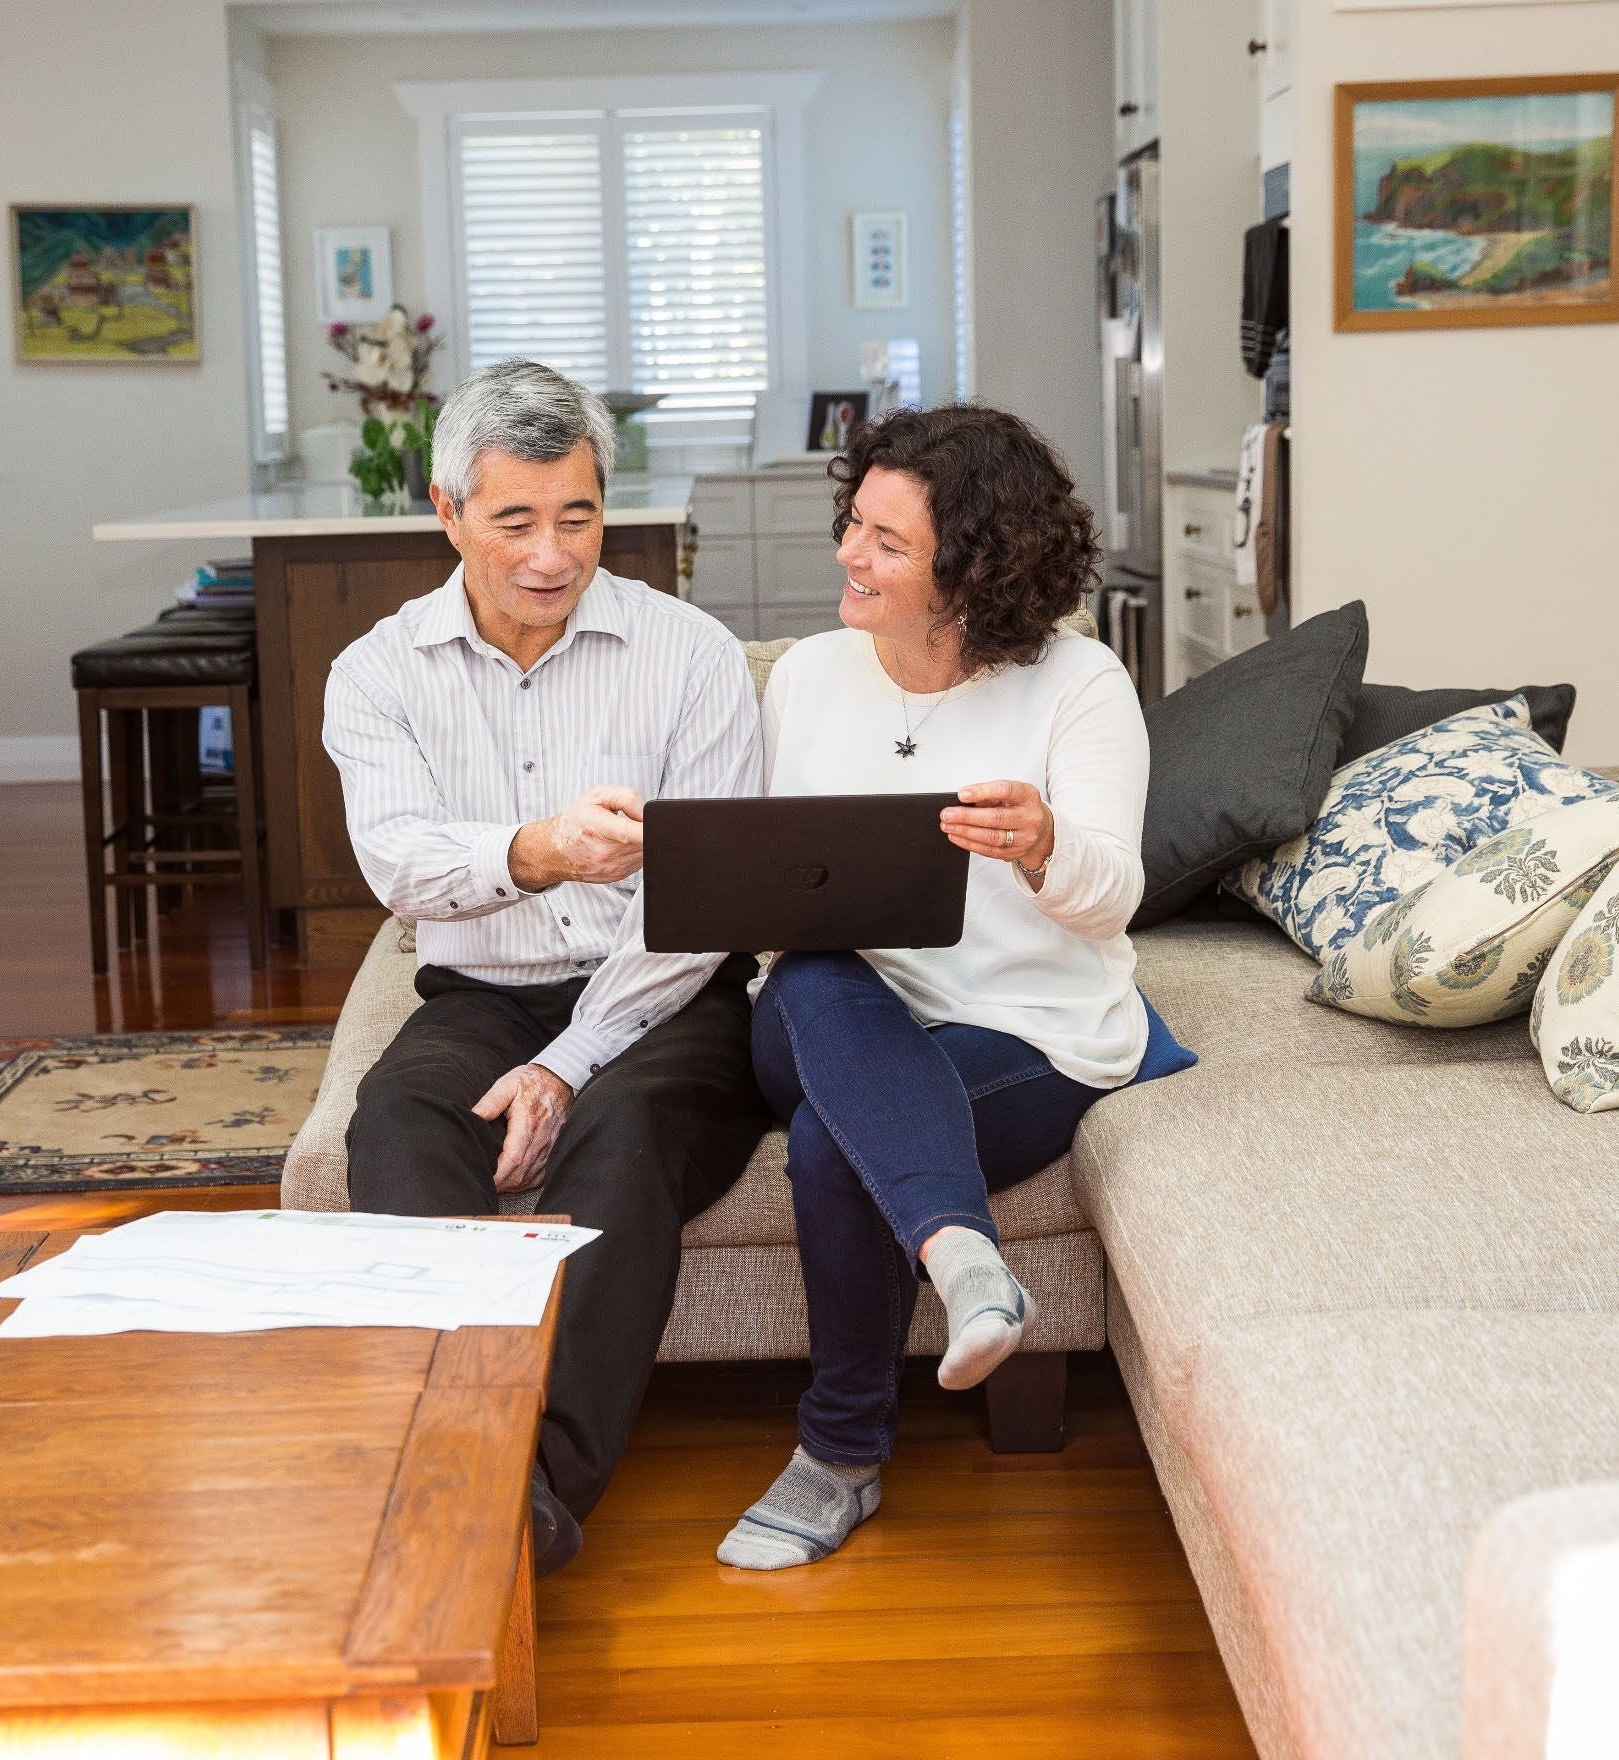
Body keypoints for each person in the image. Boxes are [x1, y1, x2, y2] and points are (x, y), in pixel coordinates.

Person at [717, 404, 1195, 1571]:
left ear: (974, 567)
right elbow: (769, 882)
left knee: (837, 1142)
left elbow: (1112, 896)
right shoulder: (809, 677)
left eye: (888, 541)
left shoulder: (1079, 683)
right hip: (828, 1005)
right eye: (854, 522)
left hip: (1026, 1027)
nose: (850, 553)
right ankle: (961, 1250)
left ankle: (837, 1458)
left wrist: (1041, 845)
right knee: (821, 971)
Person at [325, 359, 771, 1575]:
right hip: (481, 989)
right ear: (446, 510)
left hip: (666, 989)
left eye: (577, 515)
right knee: (402, 1118)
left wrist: (564, 1065)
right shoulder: (378, 673)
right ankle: (464, 1450)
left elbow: (703, 910)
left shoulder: (689, 654)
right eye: (514, 518)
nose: (551, 552)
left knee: (623, 1134)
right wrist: (537, 850)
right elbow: (403, 870)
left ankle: (521, 1501)